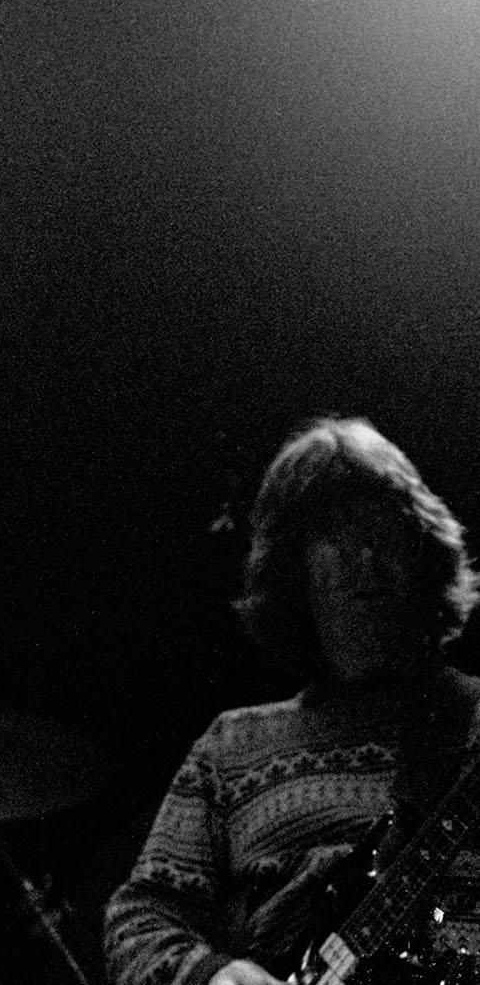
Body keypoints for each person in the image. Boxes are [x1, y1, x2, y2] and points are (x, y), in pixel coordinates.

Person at [103, 416, 480, 985]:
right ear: (294, 569)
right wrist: (214, 975)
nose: (365, 557)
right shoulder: (232, 748)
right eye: (336, 535)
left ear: (423, 553)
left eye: (386, 529)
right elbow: (139, 919)